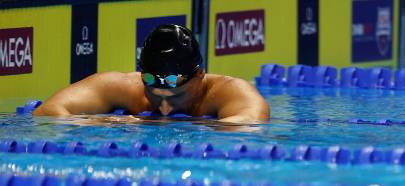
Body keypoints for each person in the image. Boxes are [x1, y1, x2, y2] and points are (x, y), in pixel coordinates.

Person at [33, 24, 269, 123]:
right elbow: (46, 112)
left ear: (199, 76)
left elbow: (250, 124)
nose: (164, 107)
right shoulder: (124, 85)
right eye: (155, 95)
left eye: (175, 96)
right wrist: (105, 122)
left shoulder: (230, 91)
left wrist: (157, 125)